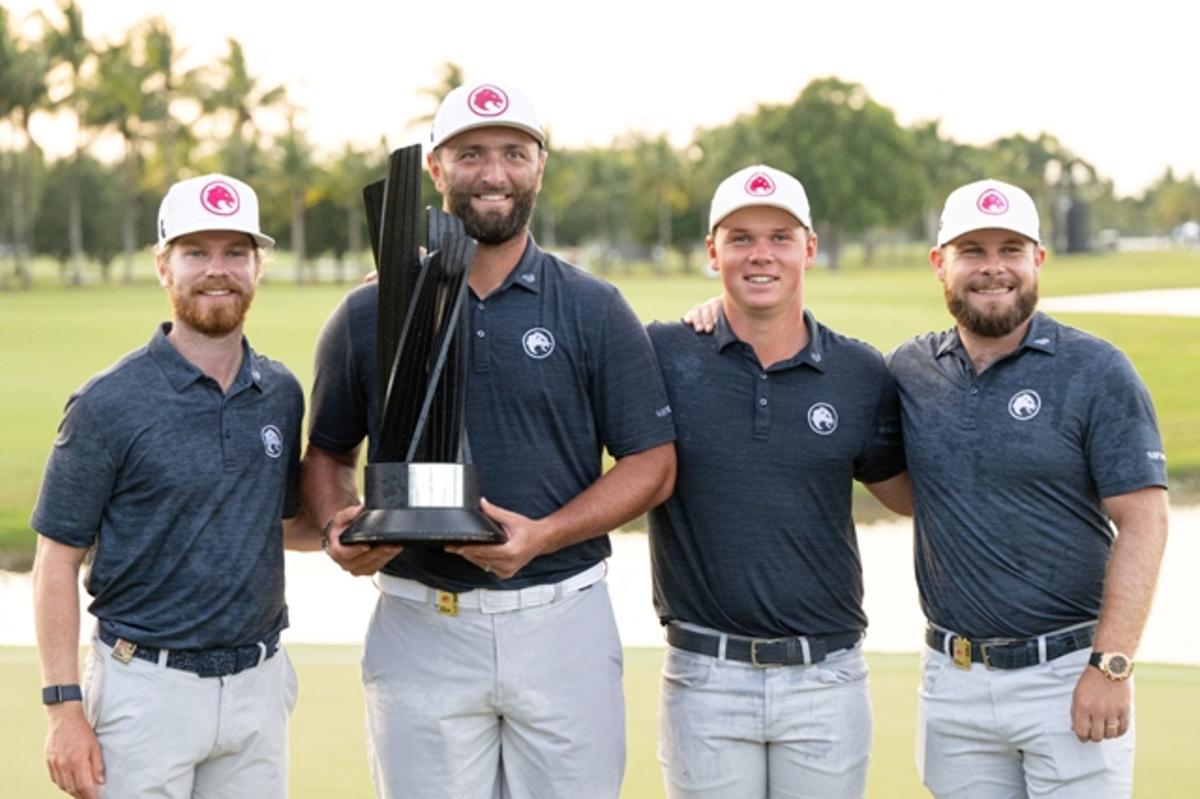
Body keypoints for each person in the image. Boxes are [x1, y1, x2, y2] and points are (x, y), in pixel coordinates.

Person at [301, 80, 677, 799]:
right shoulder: (368, 312)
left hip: (560, 616)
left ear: (540, 166)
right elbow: (326, 454)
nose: (494, 173)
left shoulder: (593, 307)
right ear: (436, 170)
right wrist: (337, 526)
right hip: (420, 621)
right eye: (470, 153)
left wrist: (545, 533)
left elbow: (652, 464)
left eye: (513, 152)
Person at [31, 174, 330, 799]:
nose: (216, 270)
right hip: (145, 691)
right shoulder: (107, 404)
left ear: (258, 267)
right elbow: (54, 563)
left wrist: (349, 530)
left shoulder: (278, 393)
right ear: (164, 267)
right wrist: (64, 708)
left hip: (258, 686)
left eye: (235, 253)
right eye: (196, 252)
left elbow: (277, 527)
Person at [889, 178, 1169, 797]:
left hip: (1069, 676)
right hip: (952, 681)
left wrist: (1112, 665)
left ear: (1038, 260)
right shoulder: (910, 371)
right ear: (940, 264)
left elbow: (1145, 520)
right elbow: (899, 484)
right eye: (973, 251)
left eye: (1011, 249)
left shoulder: (1097, 370)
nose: (994, 269)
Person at [649, 164, 910, 798]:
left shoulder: (859, 371)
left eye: (780, 237)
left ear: (809, 250)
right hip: (704, 677)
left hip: (826, 678)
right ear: (713, 252)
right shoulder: (662, 353)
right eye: (739, 238)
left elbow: (907, 496)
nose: (760, 254)